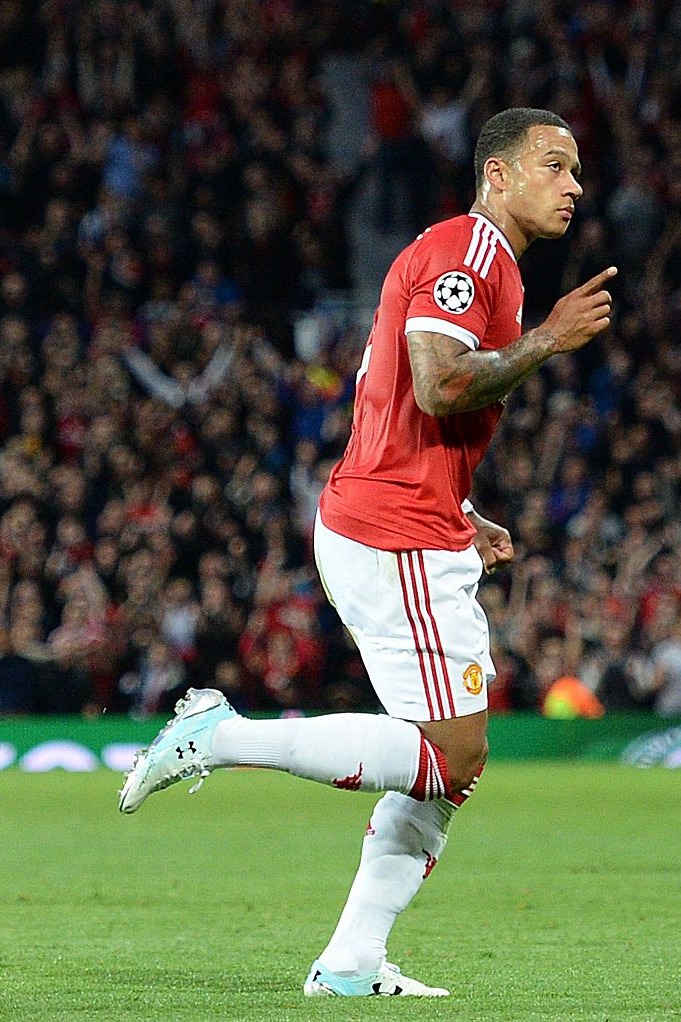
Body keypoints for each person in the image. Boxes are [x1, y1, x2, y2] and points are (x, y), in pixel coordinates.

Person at [119, 107, 615, 996]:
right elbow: (436, 379)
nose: (574, 185)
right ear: (496, 174)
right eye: (554, 165)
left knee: (443, 778)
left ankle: (350, 964)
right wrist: (549, 341)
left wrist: (463, 503)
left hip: (404, 520)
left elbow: (405, 408)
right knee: (451, 759)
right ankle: (222, 736)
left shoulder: (469, 257)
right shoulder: (472, 258)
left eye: (577, 171)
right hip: (395, 535)